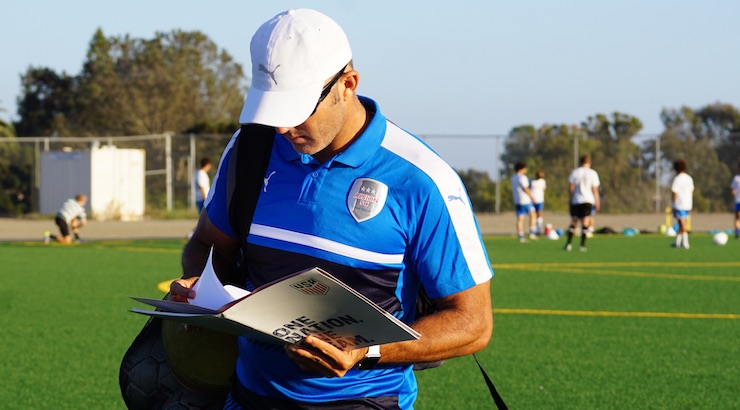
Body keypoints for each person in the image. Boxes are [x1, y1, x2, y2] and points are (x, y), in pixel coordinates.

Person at [170, 9, 493, 409]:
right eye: (271, 111)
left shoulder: (422, 180)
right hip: (247, 396)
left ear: (347, 84)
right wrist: (197, 286)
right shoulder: (249, 149)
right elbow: (207, 244)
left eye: (297, 109)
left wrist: (366, 352)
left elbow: (473, 324)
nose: (282, 129)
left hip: (365, 401)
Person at [564, 155, 600, 252]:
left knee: (573, 221)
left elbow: (571, 188)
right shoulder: (593, 173)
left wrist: (571, 199)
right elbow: (595, 189)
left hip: (576, 200)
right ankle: (582, 246)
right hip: (588, 200)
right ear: (589, 162)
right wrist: (597, 201)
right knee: (585, 222)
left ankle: (568, 244)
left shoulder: (575, 172)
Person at [511, 161, 537, 242]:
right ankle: (532, 233)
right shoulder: (522, 177)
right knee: (533, 215)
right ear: (521, 169)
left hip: (517, 200)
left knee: (520, 218)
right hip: (525, 200)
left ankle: (521, 235)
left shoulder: (513, 177)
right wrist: (532, 197)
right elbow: (525, 188)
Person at [671, 159, 694, 249]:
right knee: (681, 223)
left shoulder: (677, 179)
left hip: (679, 204)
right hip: (688, 203)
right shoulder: (689, 178)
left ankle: (685, 243)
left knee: (682, 223)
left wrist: (673, 203)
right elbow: (691, 191)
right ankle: (677, 242)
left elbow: (675, 192)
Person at [530, 170, 546, 235]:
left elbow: (544, 190)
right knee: (533, 215)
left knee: (539, 214)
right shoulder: (531, 181)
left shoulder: (542, 181)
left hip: (540, 200)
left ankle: (539, 229)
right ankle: (532, 230)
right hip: (532, 200)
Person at [732, 162, 740, 239]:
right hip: (738, 201)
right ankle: (737, 231)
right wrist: (734, 192)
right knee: (737, 216)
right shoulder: (736, 178)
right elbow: (733, 189)